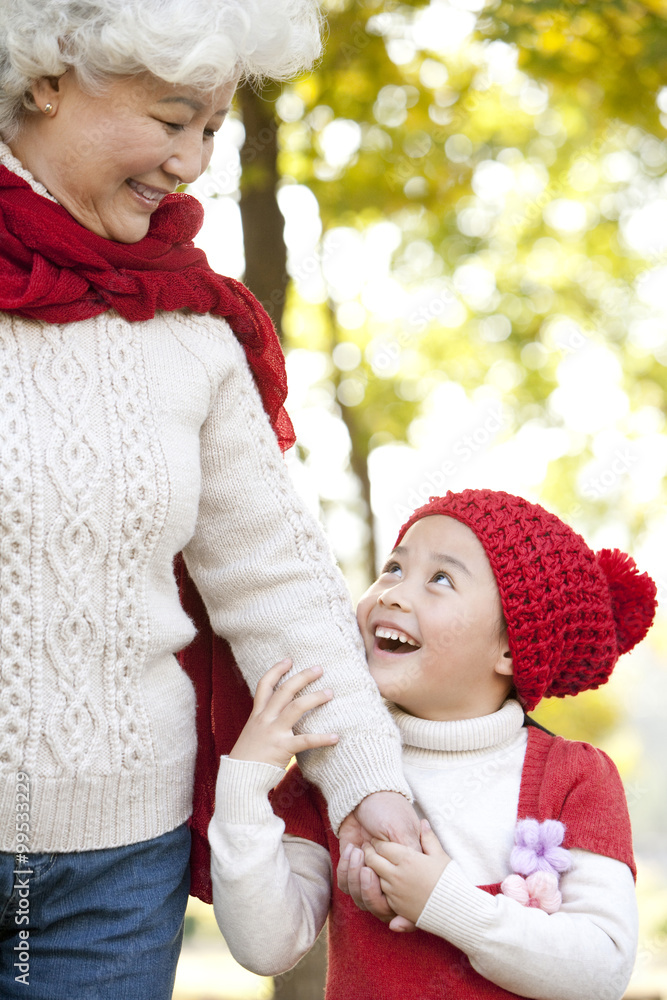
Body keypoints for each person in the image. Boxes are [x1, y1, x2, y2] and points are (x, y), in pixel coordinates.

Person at [0, 3, 420, 997]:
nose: (191, 162)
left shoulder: (191, 327)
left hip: (116, 874)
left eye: (213, 129)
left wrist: (368, 784)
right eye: (172, 116)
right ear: (50, 77)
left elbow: (277, 582)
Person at [209, 488, 657, 1000]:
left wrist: (448, 906)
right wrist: (245, 782)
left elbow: (601, 970)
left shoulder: (575, 777)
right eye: (394, 568)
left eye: (440, 579)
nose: (393, 594)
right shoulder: (337, 765)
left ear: (512, 647)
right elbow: (264, 947)